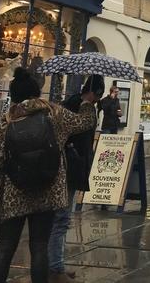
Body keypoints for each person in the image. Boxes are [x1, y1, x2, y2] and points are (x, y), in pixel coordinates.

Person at [0, 68, 97, 283]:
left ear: (14, 95)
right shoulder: (55, 114)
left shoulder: (7, 120)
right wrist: (87, 102)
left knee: (5, 249)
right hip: (46, 191)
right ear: (37, 93)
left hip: (13, 195)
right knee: (39, 248)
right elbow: (85, 122)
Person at [48, 75, 104, 282]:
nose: (98, 100)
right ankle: (54, 268)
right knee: (61, 219)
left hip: (70, 167)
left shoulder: (74, 105)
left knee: (59, 219)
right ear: (94, 92)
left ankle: (56, 264)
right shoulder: (77, 108)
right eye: (98, 96)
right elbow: (81, 128)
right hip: (68, 168)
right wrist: (88, 108)